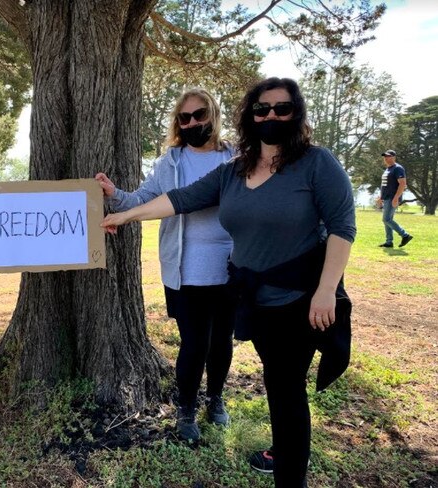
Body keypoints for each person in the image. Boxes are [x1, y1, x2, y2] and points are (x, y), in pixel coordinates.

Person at [101, 77, 356, 488]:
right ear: (249, 115)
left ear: (297, 113)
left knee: (288, 393)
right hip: (253, 298)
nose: (271, 115)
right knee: (276, 383)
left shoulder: (316, 163)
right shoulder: (235, 170)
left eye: (282, 108)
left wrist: (326, 290)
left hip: (299, 297)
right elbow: (179, 200)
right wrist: (122, 215)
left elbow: (343, 226)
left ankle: (290, 476)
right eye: (262, 109)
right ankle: (281, 450)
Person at [96, 88, 234, 442]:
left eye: (199, 115)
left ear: (213, 115)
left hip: (233, 267)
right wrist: (115, 195)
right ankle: (186, 408)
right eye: (184, 118)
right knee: (194, 343)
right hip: (185, 269)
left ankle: (215, 399)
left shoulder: (236, 158)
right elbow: (143, 199)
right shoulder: (169, 162)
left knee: (221, 341)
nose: (192, 123)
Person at [377, 150, 413, 248]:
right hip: (386, 197)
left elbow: (402, 183)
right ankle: (389, 242)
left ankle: (405, 235)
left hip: (392, 198)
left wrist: (396, 198)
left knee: (386, 219)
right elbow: (385, 185)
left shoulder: (398, 168)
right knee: (388, 219)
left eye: (388, 156)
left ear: (394, 157)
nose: (386, 158)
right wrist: (381, 197)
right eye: (385, 156)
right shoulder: (388, 169)